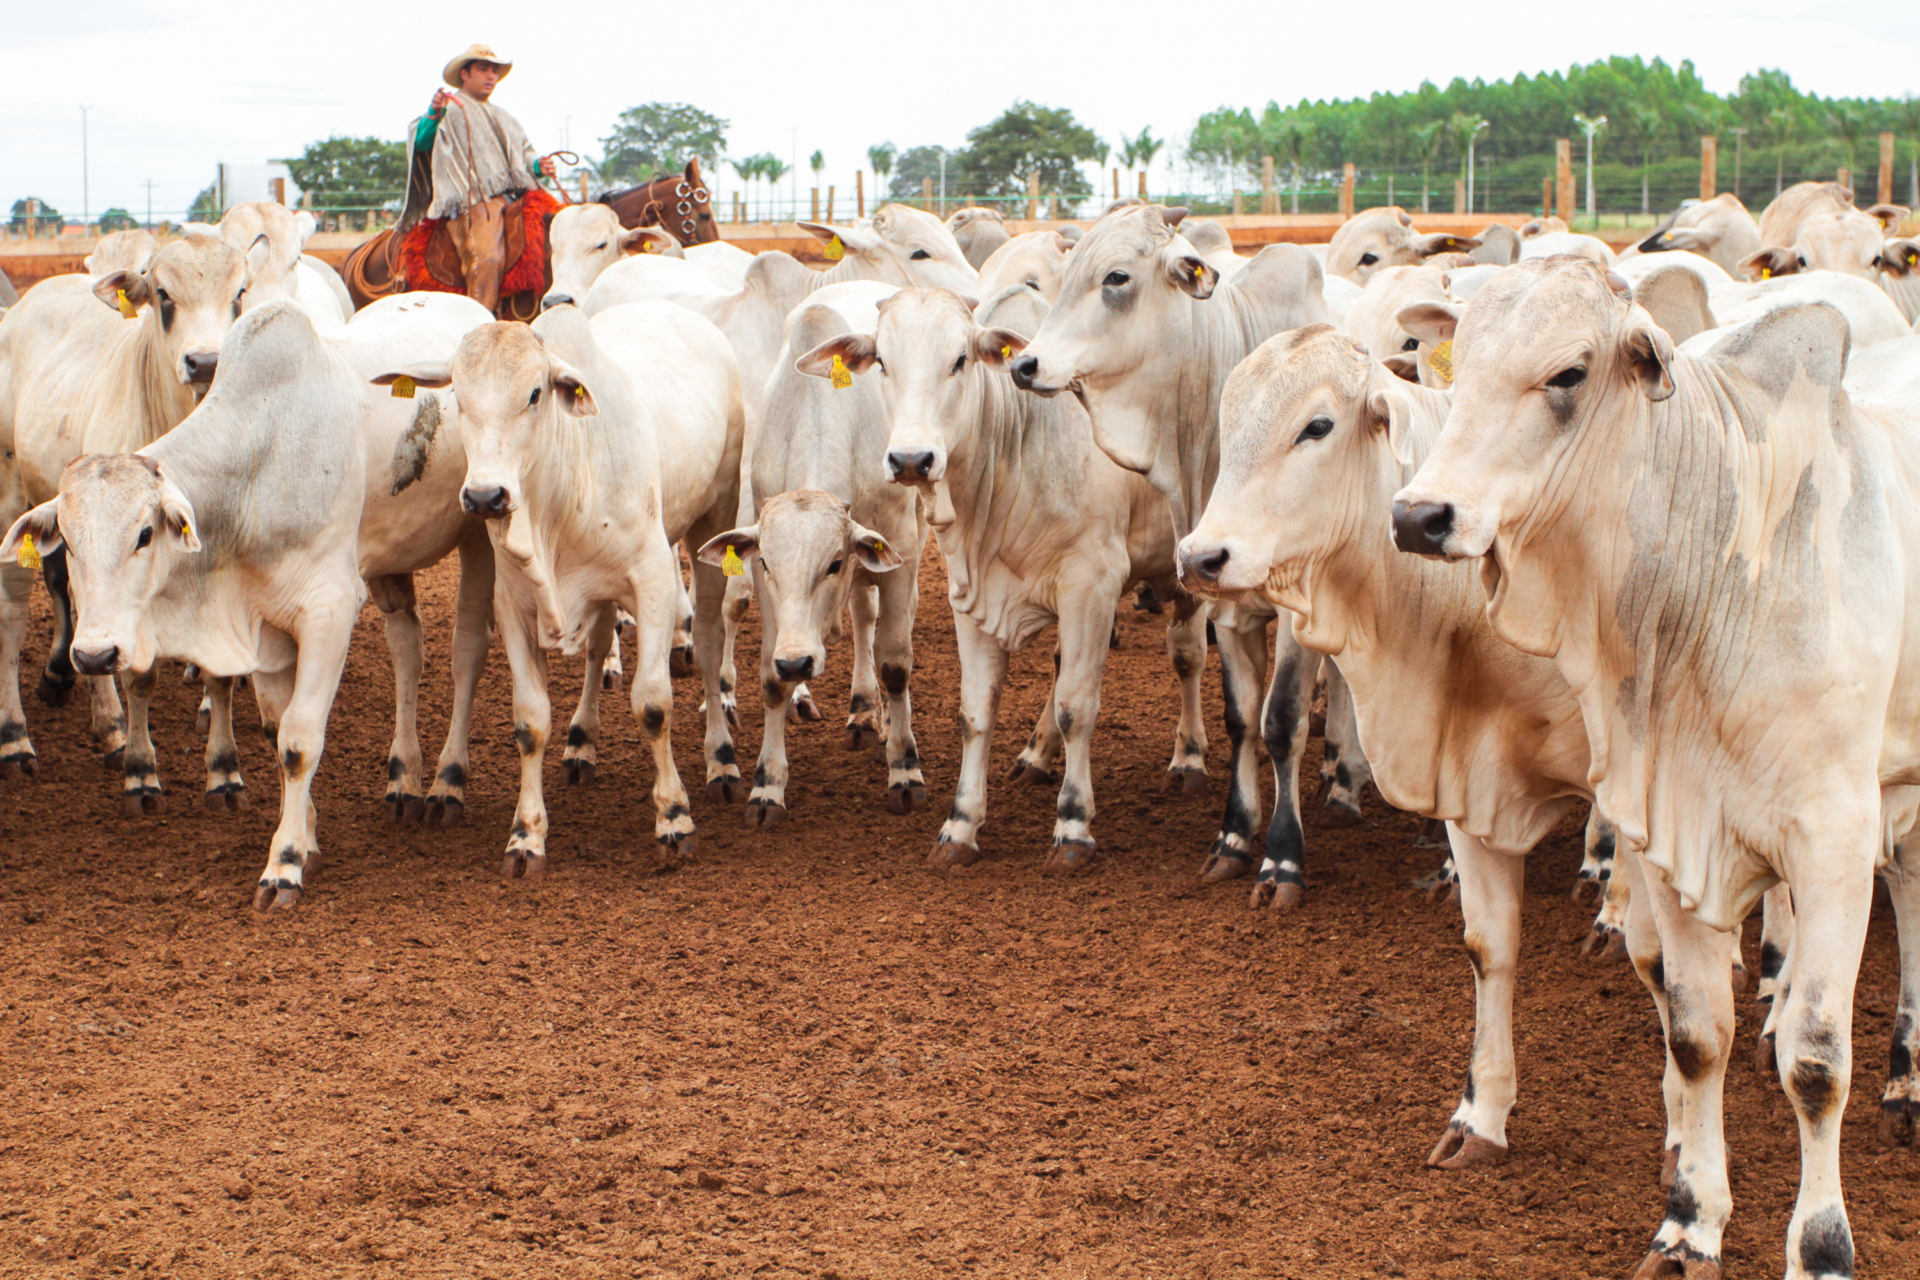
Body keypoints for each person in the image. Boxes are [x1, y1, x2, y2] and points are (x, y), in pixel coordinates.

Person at [404, 44, 558, 314]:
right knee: (487, 257)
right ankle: (480, 323)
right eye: (483, 69)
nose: (491, 76)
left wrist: (538, 165)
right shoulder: (448, 110)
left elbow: (522, 156)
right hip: (471, 203)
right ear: (464, 74)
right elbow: (424, 142)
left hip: (513, 198)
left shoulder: (504, 116)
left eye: (495, 71)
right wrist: (433, 114)